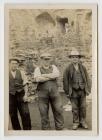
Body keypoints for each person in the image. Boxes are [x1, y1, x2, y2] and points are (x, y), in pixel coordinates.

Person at [34, 53, 64, 130]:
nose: (47, 61)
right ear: (42, 60)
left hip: (54, 93)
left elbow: (57, 74)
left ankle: (60, 127)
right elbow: (38, 79)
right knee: (43, 112)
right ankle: (46, 129)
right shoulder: (37, 69)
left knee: (58, 110)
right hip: (42, 94)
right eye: (45, 59)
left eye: (48, 59)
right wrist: (51, 76)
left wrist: (44, 75)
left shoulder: (54, 67)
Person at [63, 49, 91, 130]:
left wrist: (88, 89)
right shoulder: (68, 68)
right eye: (73, 57)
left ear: (78, 58)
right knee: (75, 108)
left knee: (83, 107)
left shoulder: (83, 67)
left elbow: (87, 79)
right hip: (73, 91)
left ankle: (83, 121)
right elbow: (65, 80)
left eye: (76, 57)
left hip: (82, 90)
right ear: (71, 58)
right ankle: (76, 122)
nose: (74, 58)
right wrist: (67, 92)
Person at [9, 58, 31, 130]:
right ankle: (17, 131)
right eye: (13, 63)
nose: (14, 65)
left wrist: (26, 95)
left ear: (18, 65)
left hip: (21, 94)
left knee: (25, 113)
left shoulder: (21, 72)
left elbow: (25, 84)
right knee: (13, 114)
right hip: (10, 95)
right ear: (9, 64)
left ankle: (27, 131)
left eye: (16, 64)